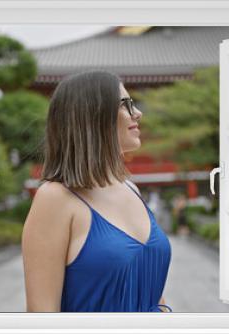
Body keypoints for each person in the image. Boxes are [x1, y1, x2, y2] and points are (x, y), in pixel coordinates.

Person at [21, 70, 173, 313]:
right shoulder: (55, 199)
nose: (138, 113)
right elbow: (42, 317)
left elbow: (156, 298)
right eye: (126, 104)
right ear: (92, 115)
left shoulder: (131, 188)